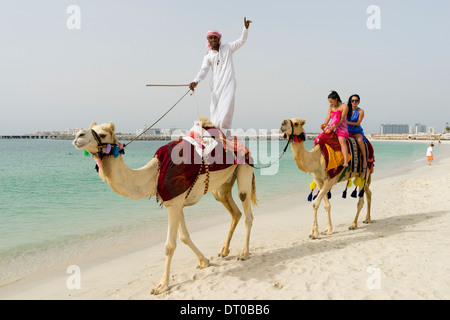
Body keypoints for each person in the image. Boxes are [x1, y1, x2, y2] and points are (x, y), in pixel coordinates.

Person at [189, 17, 252, 130]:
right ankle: (215, 133)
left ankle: (224, 132)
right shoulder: (208, 56)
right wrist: (195, 81)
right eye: (211, 38)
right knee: (214, 109)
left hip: (229, 83)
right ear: (208, 40)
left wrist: (245, 29)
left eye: (215, 37)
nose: (213, 40)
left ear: (219, 39)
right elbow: (203, 70)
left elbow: (241, 41)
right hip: (217, 86)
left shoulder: (227, 48)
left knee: (227, 108)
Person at [321, 91, 349, 166]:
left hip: (341, 127)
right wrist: (324, 124)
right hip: (331, 126)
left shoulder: (344, 107)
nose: (330, 104)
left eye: (331, 102)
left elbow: (342, 119)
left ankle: (345, 161)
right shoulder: (331, 107)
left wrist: (335, 127)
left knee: (341, 141)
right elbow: (328, 117)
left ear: (336, 99)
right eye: (329, 102)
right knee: (321, 139)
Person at [346, 94, 367, 169]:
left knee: (360, 140)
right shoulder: (347, 109)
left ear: (359, 101)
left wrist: (347, 122)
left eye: (356, 100)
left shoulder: (361, 111)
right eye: (352, 100)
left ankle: (364, 158)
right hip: (347, 130)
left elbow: (358, 123)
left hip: (356, 130)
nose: (354, 102)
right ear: (350, 101)